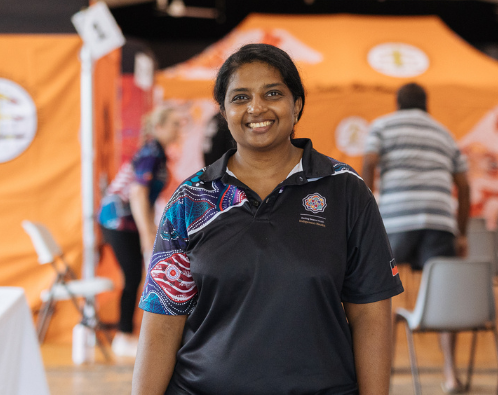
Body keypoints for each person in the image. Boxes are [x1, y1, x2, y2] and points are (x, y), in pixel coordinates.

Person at [132, 44, 403, 395]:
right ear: (225, 112)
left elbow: (371, 316)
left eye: (272, 93)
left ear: (297, 105)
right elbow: (162, 322)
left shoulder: (345, 191)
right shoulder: (191, 199)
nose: (256, 108)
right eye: (240, 97)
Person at [361, 82, 471, 394]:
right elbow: (464, 185)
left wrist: (366, 211)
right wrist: (460, 233)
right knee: (444, 298)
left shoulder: (382, 126)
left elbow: (369, 162)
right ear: (426, 104)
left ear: (397, 103)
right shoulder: (444, 133)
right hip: (439, 222)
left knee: (380, 297)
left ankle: (380, 376)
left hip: (395, 221)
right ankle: (450, 374)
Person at [98, 105, 183, 358]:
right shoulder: (151, 152)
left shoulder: (158, 153)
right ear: (158, 128)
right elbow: (137, 194)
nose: (179, 129)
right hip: (117, 220)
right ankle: (123, 336)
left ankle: (128, 335)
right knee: (133, 275)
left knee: (137, 275)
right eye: (174, 124)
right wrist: (147, 233)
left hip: (128, 221)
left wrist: (151, 227)